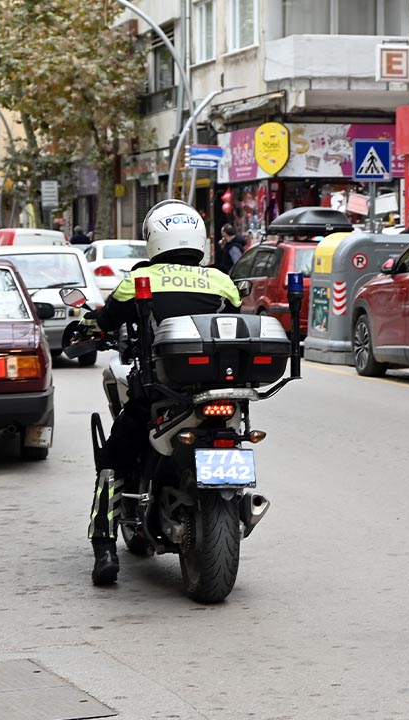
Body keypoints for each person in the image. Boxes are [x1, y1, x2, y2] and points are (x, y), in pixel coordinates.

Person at [81, 200, 242, 586]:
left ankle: (104, 547)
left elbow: (102, 322)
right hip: (220, 392)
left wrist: (87, 326)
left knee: (113, 459)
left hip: (160, 396)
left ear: (153, 238)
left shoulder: (140, 280)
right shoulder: (221, 280)